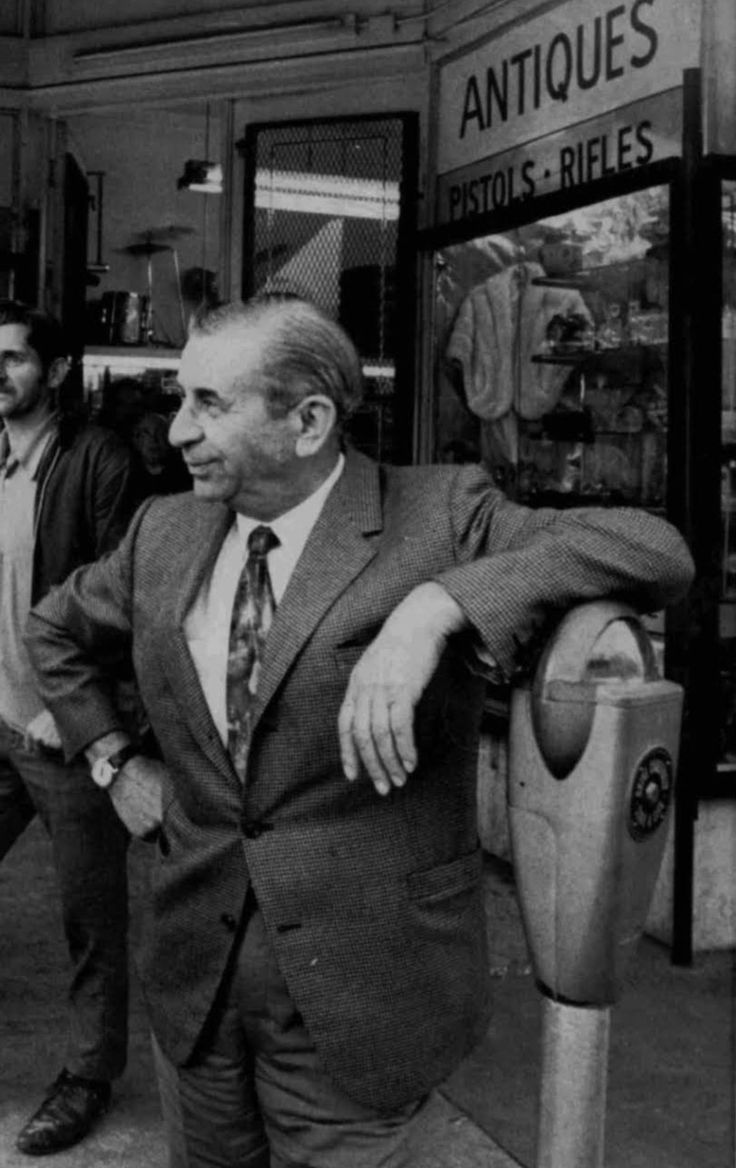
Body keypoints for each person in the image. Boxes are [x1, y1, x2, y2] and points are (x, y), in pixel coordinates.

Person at [26, 296, 694, 1168]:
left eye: (208, 403)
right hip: (197, 983)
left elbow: (655, 550)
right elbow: (53, 628)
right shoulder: (167, 529)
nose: (175, 429)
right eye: (178, 397)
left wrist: (440, 604)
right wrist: (116, 761)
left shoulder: (440, 515)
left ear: (309, 421)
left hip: (363, 997)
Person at [0, 300, 140, 1156]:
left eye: (14, 358)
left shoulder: (99, 461)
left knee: (91, 917)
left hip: (62, 731)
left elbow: (137, 597)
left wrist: (82, 712)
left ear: (55, 372)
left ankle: (89, 1074)